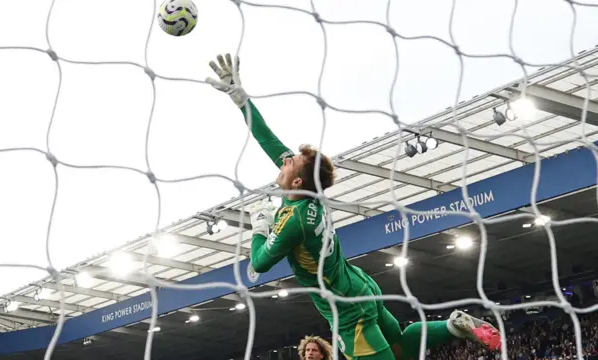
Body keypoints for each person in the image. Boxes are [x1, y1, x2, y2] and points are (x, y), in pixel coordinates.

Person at [205, 53, 502, 360]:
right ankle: (453, 327)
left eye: (290, 161)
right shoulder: (310, 197)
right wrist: (241, 100)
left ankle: (453, 327)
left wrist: (259, 229)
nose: (284, 159)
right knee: (400, 343)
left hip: (346, 308)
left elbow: (260, 264)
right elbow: (267, 138)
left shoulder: (294, 221)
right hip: (361, 286)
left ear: (297, 182)